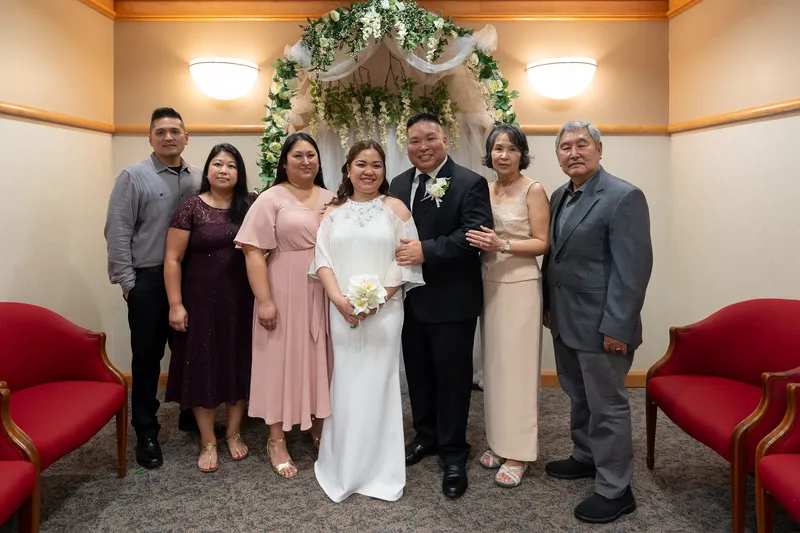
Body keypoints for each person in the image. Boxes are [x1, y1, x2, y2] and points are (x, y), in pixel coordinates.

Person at [542, 120, 653, 524]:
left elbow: (633, 270)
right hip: (565, 320)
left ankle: (615, 488)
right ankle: (586, 456)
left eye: (582, 144)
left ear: (599, 149)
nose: (573, 152)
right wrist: (547, 304)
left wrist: (617, 327)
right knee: (579, 396)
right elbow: (553, 258)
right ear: (557, 156)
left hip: (604, 327)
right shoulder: (558, 195)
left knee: (607, 406)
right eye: (565, 147)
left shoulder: (624, 197)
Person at [311, 140, 424, 502]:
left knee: (379, 383)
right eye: (361, 164)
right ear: (348, 169)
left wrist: (377, 299)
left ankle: (380, 470)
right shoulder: (333, 211)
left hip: (385, 312)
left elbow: (406, 258)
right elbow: (322, 260)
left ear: (384, 170)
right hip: (341, 309)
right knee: (345, 382)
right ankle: (342, 465)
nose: (369, 171)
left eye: (376, 164)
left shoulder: (396, 209)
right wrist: (340, 300)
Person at [389, 113, 493, 499]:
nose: (422, 146)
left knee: (452, 381)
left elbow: (475, 236)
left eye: (430, 138)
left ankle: (453, 452)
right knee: (418, 375)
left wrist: (425, 251)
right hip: (409, 301)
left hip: (452, 301)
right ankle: (426, 436)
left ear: (445, 140)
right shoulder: (398, 184)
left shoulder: (470, 182)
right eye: (414, 141)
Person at [105, 107, 202, 469]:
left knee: (191, 351)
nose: (168, 137)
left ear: (186, 137)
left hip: (191, 277)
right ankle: (145, 430)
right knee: (146, 359)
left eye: (175, 131)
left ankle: (192, 414)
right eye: (160, 132)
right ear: (150, 138)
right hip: (148, 279)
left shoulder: (199, 177)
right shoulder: (133, 176)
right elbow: (116, 231)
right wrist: (129, 284)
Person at [234, 132, 335, 479]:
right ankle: (276, 438)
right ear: (285, 162)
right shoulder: (271, 198)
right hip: (283, 286)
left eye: (311, 154)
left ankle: (316, 424)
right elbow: (252, 251)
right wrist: (264, 300)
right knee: (279, 360)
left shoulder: (332, 198)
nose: (306, 161)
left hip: (324, 289)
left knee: (320, 357)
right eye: (297, 155)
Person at [465, 124, 550, 488]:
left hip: (521, 284)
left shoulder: (534, 190)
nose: (503, 155)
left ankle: (519, 452)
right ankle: (498, 443)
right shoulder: (483, 189)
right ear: (489, 154)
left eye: (511, 149)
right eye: (497, 148)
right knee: (494, 368)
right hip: (489, 284)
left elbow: (543, 243)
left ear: (522, 154)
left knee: (519, 369)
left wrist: (503, 245)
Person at [163, 143, 256, 473]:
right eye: (217, 164)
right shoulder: (190, 207)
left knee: (238, 364)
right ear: (208, 170)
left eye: (231, 165)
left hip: (243, 301)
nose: (223, 170)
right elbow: (172, 259)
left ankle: (232, 432)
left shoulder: (250, 205)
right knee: (202, 366)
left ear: (239, 173)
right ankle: (208, 440)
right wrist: (175, 304)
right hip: (200, 302)